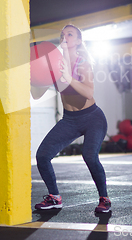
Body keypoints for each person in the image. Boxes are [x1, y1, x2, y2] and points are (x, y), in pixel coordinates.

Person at [31, 25, 111, 213]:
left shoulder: (83, 63)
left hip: (92, 117)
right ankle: (54, 197)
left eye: (69, 34)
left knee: (90, 156)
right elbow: (36, 94)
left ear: (78, 41)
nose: (64, 37)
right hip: (69, 120)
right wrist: (33, 76)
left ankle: (104, 199)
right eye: (62, 34)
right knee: (42, 156)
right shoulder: (55, 64)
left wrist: (68, 77)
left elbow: (89, 91)